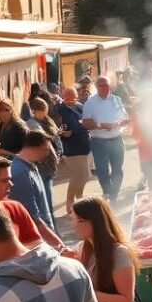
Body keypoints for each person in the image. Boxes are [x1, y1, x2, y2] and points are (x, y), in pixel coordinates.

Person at [80, 77, 129, 202]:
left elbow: (125, 118)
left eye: (106, 85)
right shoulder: (90, 103)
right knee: (102, 171)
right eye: (101, 86)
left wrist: (120, 122)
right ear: (96, 87)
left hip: (117, 139)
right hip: (99, 142)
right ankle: (108, 193)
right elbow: (86, 123)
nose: (105, 88)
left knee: (118, 170)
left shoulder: (116, 99)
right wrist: (102, 125)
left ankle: (113, 196)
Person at [54, 87, 92, 215]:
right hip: (71, 148)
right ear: (64, 98)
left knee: (84, 175)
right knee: (77, 176)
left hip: (84, 145)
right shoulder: (59, 109)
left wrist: (79, 129)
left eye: (73, 99)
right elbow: (57, 128)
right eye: (68, 99)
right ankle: (70, 203)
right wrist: (63, 132)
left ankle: (79, 199)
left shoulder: (80, 106)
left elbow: (86, 122)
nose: (71, 102)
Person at [7, 132, 54, 230]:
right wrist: (52, 237)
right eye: (45, 150)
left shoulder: (30, 166)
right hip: (39, 233)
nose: (47, 154)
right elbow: (32, 213)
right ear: (34, 148)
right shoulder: (21, 172)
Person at [23, 98, 62, 215]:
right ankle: (49, 226)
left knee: (47, 196)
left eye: (45, 109)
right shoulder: (31, 124)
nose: (45, 112)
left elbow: (55, 138)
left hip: (50, 164)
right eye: (42, 110)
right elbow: (44, 139)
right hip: (42, 164)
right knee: (45, 198)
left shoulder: (47, 121)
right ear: (34, 111)